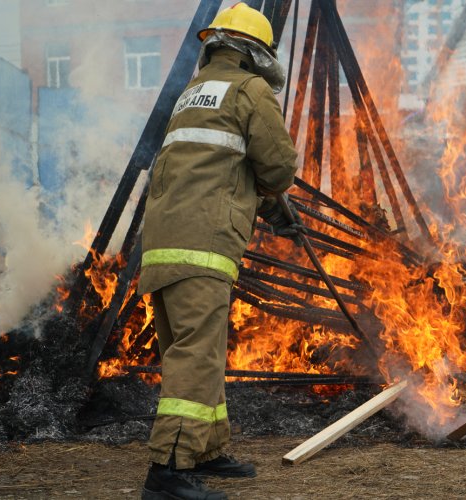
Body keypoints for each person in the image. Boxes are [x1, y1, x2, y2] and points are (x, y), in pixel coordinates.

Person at [136, 4, 299, 499]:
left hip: (164, 242)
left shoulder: (192, 95)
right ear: (256, 55)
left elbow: (212, 166)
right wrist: (277, 200)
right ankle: (168, 470)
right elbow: (277, 168)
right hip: (204, 242)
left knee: (194, 349)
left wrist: (267, 209)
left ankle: (206, 450)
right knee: (195, 354)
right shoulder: (251, 91)